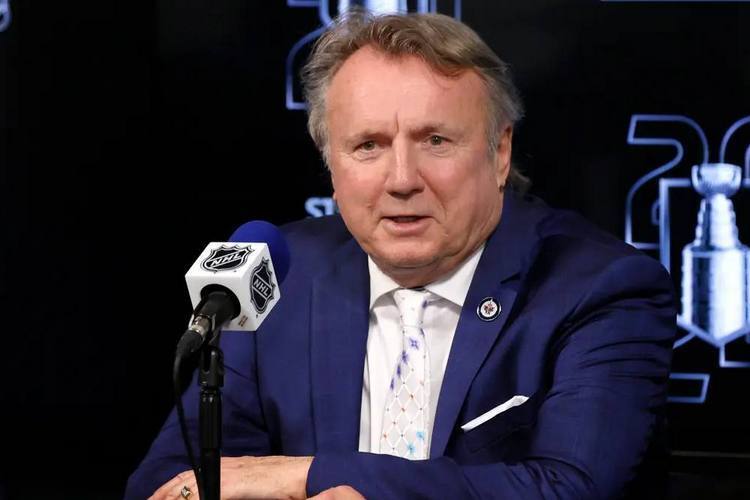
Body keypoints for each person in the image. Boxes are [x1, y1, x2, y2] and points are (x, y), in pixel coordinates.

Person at [127, 11, 675, 499]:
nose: (402, 179)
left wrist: (309, 475)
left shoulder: (602, 287)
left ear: (499, 152)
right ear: (331, 165)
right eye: (368, 145)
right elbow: (171, 480)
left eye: (435, 140)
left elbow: (568, 487)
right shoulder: (277, 275)